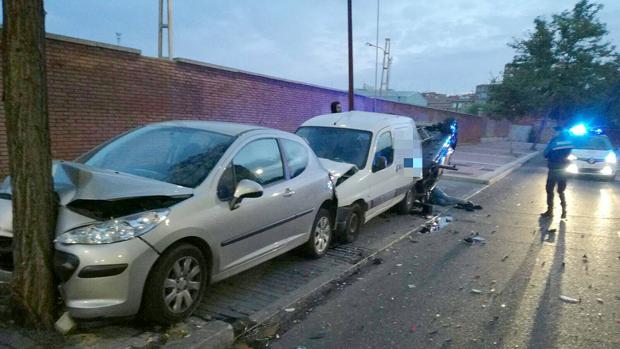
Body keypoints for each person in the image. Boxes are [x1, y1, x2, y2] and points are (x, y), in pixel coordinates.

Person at [541, 127, 573, 219]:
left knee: (549, 190)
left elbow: (545, 154)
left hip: (553, 169)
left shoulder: (554, 141)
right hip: (563, 169)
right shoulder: (569, 142)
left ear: (558, 133)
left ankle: (550, 211)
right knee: (561, 191)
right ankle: (564, 211)